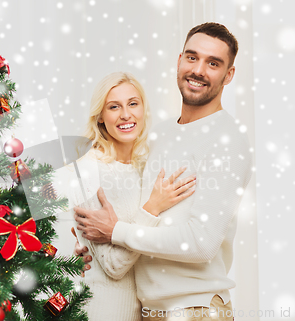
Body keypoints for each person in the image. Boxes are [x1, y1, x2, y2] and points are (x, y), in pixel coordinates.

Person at [74, 22, 253, 321]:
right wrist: (82, 245)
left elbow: (201, 244)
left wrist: (116, 232)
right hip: (149, 311)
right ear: (179, 59)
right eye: (192, 57)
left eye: (213, 63)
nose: (198, 70)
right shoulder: (159, 135)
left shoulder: (228, 140)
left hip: (197, 310)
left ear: (229, 75)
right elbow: (136, 209)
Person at [63, 72, 196, 321]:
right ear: (100, 117)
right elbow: (113, 266)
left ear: (143, 109)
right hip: (104, 311)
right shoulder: (88, 170)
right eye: (114, 107)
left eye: (133, 103)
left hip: (146, 310)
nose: (126, 115)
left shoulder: (144, 166)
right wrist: (152, 208)